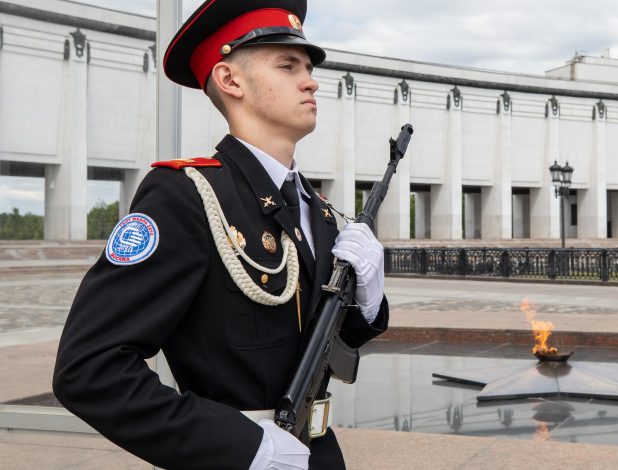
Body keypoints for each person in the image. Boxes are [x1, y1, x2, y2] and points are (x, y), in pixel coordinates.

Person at [52, 1, 388, 469]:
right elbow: (90, 370)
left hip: (321, 455)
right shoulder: (185, 197)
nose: (310, 81)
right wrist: (241, 447)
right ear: (231, 81)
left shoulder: (321, 212)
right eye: (287, 66)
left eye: (309, 68)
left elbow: (321, 341)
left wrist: (368, 307)